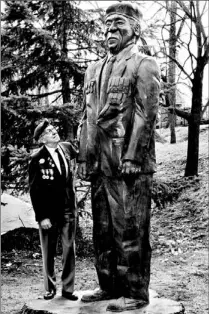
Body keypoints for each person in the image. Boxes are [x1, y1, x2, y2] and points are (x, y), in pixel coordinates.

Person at [77, 2, 161, 312]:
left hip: (129, 164)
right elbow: (87, 116)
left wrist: (133, 155)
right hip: (100, 163)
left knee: (130, 229)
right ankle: (108, 285)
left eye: (119, 25)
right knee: (103, 230)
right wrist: (85, 156)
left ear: (135, 30)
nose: (110, 30)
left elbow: (145, 113)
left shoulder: (144, 64)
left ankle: (135, 292)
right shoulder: (93, 68)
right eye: (107, 26)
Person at [29, 119, 78, 301]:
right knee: (49, 251)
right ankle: (50, 288)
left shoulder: (66, 148)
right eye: (49, 132)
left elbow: (81, 156)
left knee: (68, 250)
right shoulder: (37, 159)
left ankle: (68, 289)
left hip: (68, 209)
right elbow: (34, 191)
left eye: (54, 129)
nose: (54, 132)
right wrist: (42, 217)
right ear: (42, 139)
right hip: (49, 214)